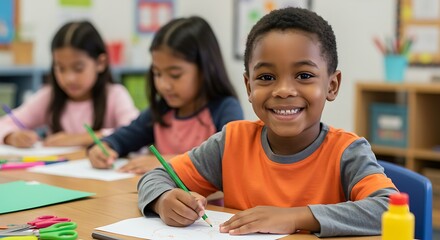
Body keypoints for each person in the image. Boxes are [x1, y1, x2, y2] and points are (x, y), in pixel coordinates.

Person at [137, 7, 398, 237]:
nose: (283, 90)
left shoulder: (346, 151)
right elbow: (157, 176)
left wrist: (295, 217)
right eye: (266, 77)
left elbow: (390, 207)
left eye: (304, 75)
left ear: (332, 85)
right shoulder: (232, 143)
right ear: (248, 86)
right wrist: (163, 200)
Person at [87, 16, 243, 174]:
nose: (163, 85)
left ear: (205, 70)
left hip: (205, 199)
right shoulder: (162, 110)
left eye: (175, 75)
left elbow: (230, 160)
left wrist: (169, 163)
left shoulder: (225, 108)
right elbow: (125, 137)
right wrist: (105, 147)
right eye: (157, 73)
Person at [0, 21, 139, 148]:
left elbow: (135, 133)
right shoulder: (49, 96)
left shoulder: (115, 95)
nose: (69, 78)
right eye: (60, 68)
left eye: (78, 68)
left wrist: (79, 139)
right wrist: (11, 136)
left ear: (100, 63)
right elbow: (4, 124)